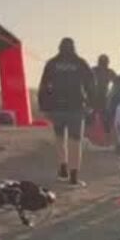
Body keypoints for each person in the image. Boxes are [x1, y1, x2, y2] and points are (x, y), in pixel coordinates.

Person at [37, 37, 95, 186]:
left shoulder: (52, 63)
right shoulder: (80, 63)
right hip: (76, 107)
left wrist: (44, 106)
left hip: (56, 107)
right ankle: (74, 177)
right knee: (75, 141)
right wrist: (91, 104)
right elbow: (90, 84)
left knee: (59, 138)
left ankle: (63, 168)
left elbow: (44, 86)